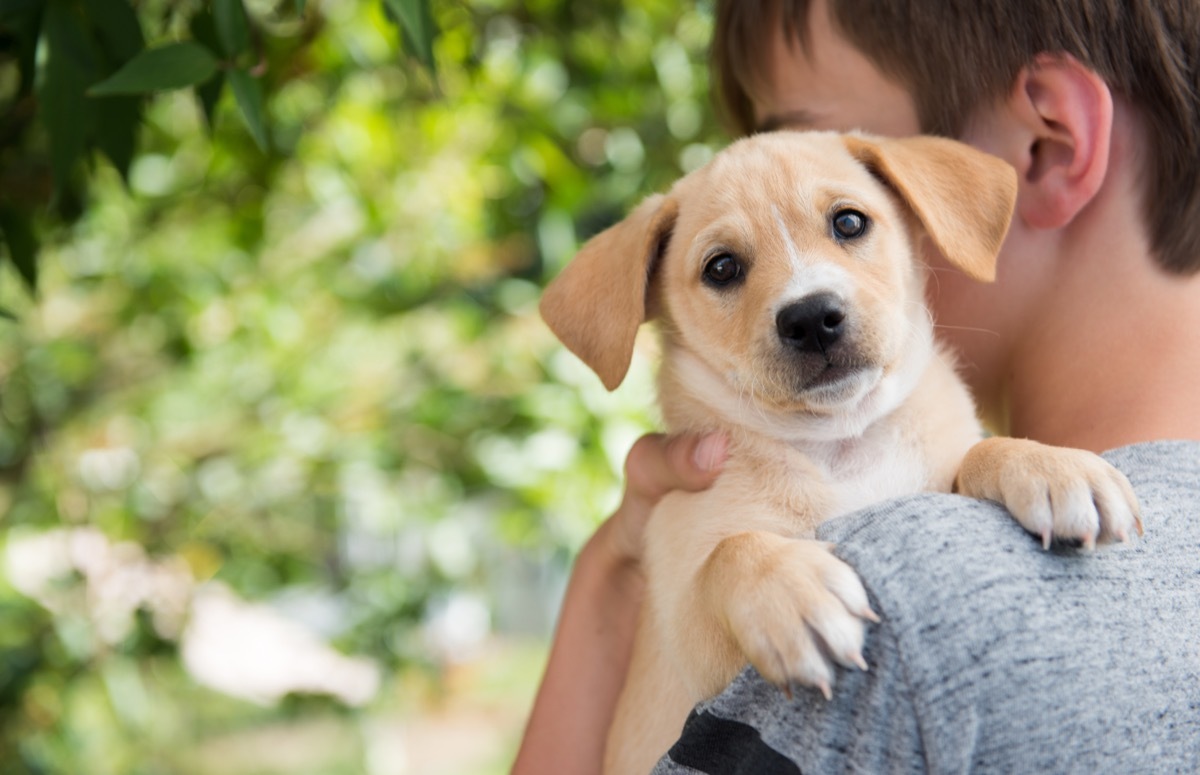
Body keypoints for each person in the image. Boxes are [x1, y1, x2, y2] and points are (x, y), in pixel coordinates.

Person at [512, 0, 1200, 771]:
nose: (805, 299)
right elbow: (707, 656)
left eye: (846, 223)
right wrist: (708, 566)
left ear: (1048, 141)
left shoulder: (911, 618)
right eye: (724, 269)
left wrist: (991, 461)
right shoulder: (710, 513)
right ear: (654, 298)